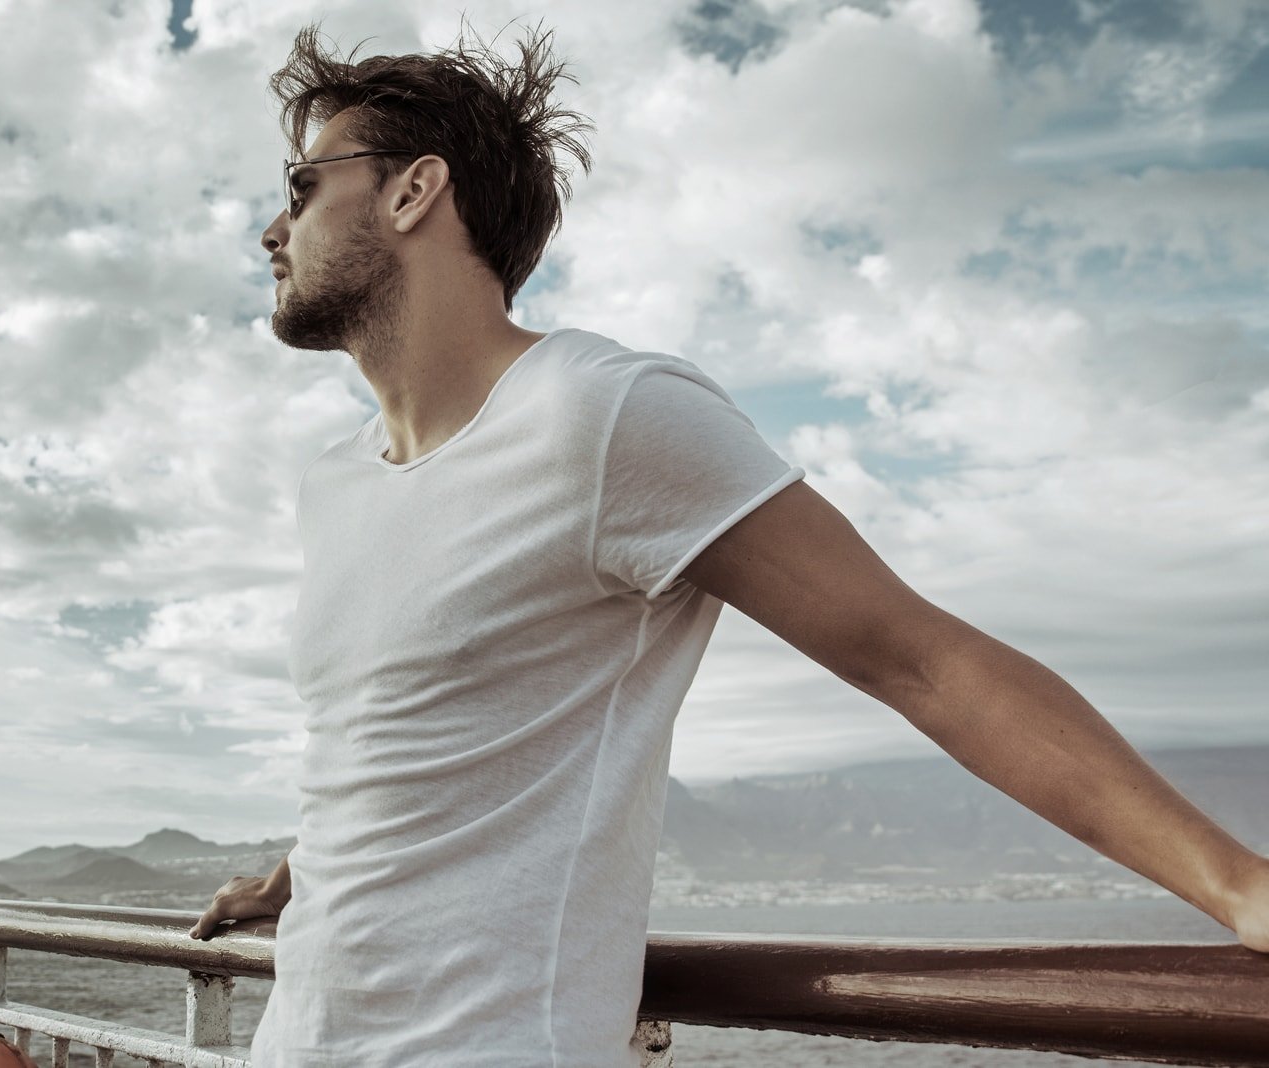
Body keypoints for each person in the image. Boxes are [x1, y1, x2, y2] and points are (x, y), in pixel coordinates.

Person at [187, 20, 1269, 1068]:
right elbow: (406, 736)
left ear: (414, 190)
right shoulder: (335, 482)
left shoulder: (602, 415)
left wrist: (1236, 883)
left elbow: (920, 659)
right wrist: (299, 874)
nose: (272, 231)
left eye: (300, 188)